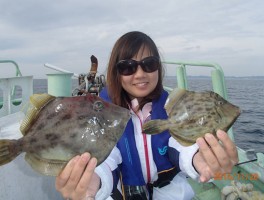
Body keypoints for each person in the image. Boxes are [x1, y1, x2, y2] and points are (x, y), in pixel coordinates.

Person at [55, 31, 238, 200]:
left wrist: (199, 159)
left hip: (168, 187)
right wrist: (93, 181)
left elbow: (180, 144)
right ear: (116, 72)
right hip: (122, 190)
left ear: (158, 67)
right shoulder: (103, 112)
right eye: (128, 67)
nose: (140, 74)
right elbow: (105, 156)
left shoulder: (169, 105)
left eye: (149, 64)